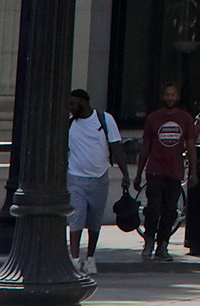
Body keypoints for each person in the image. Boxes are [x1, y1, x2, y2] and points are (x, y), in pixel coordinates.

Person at [65, 89, 129, 277]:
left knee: (95, 220)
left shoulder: (104, 119)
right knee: (76, 218)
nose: (70, 108)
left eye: (73, 104)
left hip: (100, 177)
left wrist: (125, 173)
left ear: (83, 103)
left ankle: (90, 258)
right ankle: (75, 259)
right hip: (75, 177)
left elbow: (116, 147)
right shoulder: (69, 124)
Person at [139, 83, 198, 260]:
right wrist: (138, 172)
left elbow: (191, 146)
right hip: (155, 170)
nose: (170, 98)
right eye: (167, 94)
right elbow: (146, 146)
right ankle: (149, 239)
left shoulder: (185, 119)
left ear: (178, 97)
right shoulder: (153, 118)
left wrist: (193, 172)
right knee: (153, 207)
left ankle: (163, 245)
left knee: (170, 210)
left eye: (173, 95)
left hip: (175, 172)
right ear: (163, 96)